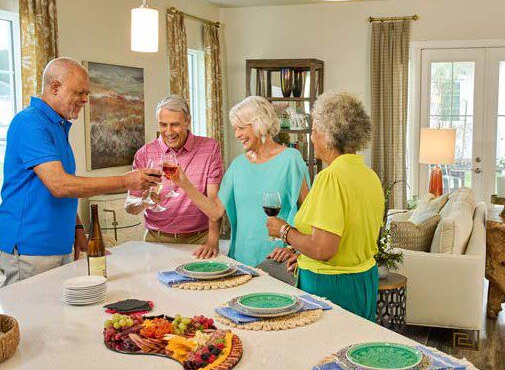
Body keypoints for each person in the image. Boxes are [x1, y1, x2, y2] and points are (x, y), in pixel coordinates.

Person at [0, 57, 159, 286]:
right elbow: (60, 185)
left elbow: (61, 186)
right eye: (80, 93)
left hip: (58, 244)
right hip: (30, 248)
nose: (86, 100)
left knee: (58, 319)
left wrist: (77, 228)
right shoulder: (30, 124)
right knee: (33, 320)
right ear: (55, 87)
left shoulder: (57, 125)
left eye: (87, 93)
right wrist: (126, 182)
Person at [266, 92, 384, 321]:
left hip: (332, 287)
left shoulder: (330, 178)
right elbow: (350, 235)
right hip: (364, 280)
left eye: (314, 130)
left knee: (326, 353)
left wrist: (284, 231)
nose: (311, 138)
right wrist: (300, 253)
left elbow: (323, 250)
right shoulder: (369, 176)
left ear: (329, 137)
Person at [170, 96, 310, 267]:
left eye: (241, 128)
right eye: (235, 129)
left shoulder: (290, 159)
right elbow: (215, 212)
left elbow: (308, 213)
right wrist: (184, 183)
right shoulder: (238, 165)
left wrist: (294, 249)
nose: (237, 135)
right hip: (240, 260)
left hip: (278, 260)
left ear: (260, 124)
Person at [125, 95, 224, 259]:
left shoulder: (210, 148)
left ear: (188, 121)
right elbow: (129, 206)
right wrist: (144, 201)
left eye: (175, 124)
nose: (168, 132)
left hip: (199, 240)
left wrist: (212, 241)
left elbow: (215, 202)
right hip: (155, 240)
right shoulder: (144, 154)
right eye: (163, 125)